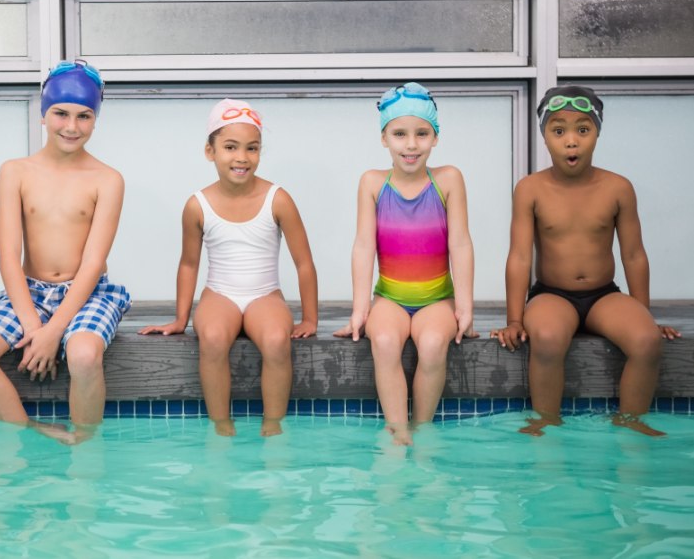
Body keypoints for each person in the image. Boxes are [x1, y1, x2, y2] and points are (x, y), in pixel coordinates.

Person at [0, 60, 130, 445]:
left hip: (87, 293)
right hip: (29, 292)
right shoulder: (15, 171)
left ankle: (85, 445)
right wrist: (33, 326)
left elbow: (93, 263)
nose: (71, 126)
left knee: (84, 355)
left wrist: (53, 331)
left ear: (96, 120)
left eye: (84, 116)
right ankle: (28, 433)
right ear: (43, 115)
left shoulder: (107, 180)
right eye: (61, 114)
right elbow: (7, 255)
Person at [491, 85, 680, 437]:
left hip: (603, 296)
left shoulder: (618, 188)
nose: (571, 141)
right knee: (546, 337)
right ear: (545, 137)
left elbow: (633, 254)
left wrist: (643, 314)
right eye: (558, 130)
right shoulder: (530, 189)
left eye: (583, 129)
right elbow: (518, 257)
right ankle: (546, 420)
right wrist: (514, 318)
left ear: (597, 134)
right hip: (551, 295)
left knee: (645, 342)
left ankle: (630, 420)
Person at [139, 99, 318, 437]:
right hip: (220, 295)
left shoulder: (277, 199)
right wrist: (181, 318)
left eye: (252, 148)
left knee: (278, 340)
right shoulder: (198, 205)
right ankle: (221, 425)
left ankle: (273, 424)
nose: (241, 157)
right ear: (210, 151)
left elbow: (304, 262)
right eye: (230, 147)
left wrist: (310, 318)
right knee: (214, 337)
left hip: (265, 296)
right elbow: (189, 264)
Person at [335, 82, 475, 446]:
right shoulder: (372, 183)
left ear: (435, 137)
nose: (411, 145)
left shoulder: (448, 180)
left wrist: (464, 306)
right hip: (390, 300)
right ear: (384, 138)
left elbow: (460, 243)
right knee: (382, 340)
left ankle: (423, 430)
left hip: (436, 300)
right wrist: (360, 309)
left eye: (421, 134)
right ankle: (398, 433)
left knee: (431, 343)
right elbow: (364, 246)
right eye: (400, 134)